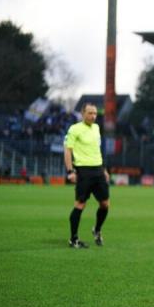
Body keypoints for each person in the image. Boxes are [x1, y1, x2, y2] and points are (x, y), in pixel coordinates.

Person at [64, 103, 109, 248]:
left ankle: (96, 230)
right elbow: (68, 151)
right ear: (83, 113)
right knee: (80, 204)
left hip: (98, 170)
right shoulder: (74, 129)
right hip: (83, 171)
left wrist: (104, 169)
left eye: (95, 113)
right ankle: (73, 239)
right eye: (90, 113)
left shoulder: (96, 128)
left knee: (105, 204)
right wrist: (70, 171)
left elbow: (96, 150)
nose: (93, 116)